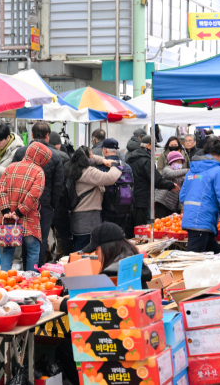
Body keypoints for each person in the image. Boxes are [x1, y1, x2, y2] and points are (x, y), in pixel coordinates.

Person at [48, 222, 152, 385]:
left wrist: (63, 305)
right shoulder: (132, 265)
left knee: (68, 347)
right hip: (135, 334)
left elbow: (104, 311)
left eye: (96, 251)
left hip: (119, 342)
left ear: (107, 248)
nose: (96, 255)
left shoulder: (113, 272)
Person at [12, 122, 64, 266]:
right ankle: (37, 271)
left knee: (23, 237)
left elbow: (13, 176)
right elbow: (58, 184)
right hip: (44, 205)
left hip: (22, 204)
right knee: (41, 238)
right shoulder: (55, 155)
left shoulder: (20, 152)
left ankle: (25, 270)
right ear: (48, 136)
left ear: (32, 135)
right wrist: (52, 205)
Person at [0, 143, 51, 272]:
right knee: (33, 251)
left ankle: (3, 281)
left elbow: (1, 190)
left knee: (7, 251)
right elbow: (33, 196)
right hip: (29, 220)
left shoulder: (10, 167)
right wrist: (19, 212)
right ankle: (30, 282)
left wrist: (6, 211)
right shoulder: (38, 172)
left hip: (9, 219)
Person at [180, 138, 220, 253]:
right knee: (193, 260)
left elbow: (182, 197)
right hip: (203, 221)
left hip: (191, 219)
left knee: (216, 254)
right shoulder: (218, 171)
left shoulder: (191, 171)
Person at [67, 146, 121, 252]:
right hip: (88, 217)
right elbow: (109, 178)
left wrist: (104, 160)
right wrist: (114, 166)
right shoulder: (88, 172)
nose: (93, 157)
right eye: (90, 155)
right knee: (84, 249)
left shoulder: (73, 167)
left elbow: (94, 158)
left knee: (79, 244)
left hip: (76, 216)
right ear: (86, 159)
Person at [126, 135, 178, 236]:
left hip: (129, 199)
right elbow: (157, 180)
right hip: (142, 200)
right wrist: (171, 185)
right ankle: (139, 249)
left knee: (130, 229)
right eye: (154, 146)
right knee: (140, 231)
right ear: (148, 145)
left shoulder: (130, 158)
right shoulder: (146, 160)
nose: (154, 149)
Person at [98, 138, 133, 231]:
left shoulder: (101, 166)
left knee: (107, 236)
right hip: (123, 207)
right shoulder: (126, 166)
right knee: (120, 235)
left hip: (106, 208)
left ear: (105, 150)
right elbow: (132, 184)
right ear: (116, 150)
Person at [49, 132, 72, 258]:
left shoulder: (39, 154)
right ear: (58, 145)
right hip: (60, 201)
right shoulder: (64, 156)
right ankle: (62, 258)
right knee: (63, 233)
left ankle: (45, 257)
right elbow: (68, 181)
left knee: (42, 232)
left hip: (43, 200)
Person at [154, 151, 189, 218]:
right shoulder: (167, 169)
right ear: (171, 162)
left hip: (172, 206)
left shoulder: (182, 176)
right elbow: (171, 174)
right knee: (159, 223)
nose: (179, 163)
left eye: (180, 162)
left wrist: (180, 208)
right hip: (162, 202)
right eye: (177, 161)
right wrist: (187, 171)